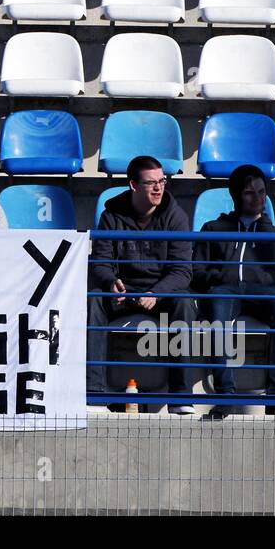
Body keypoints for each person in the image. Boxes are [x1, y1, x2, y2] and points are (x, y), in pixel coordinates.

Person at [88, 155, 196, 415]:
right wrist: (110, 282)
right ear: (133, 185)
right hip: (123, 293)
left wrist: (156, 293)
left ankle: (181, 398)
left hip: (160, 292)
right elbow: (100, 262)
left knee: (184, 305)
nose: (159, 188)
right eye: (151, 183)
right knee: (93, 302)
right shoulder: (111, 216)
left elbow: (182, 271)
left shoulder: (176, 217)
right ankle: (94, 394)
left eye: (162, 181)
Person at [195, 164, 275, 420]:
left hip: (263, 292)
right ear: (236, 196)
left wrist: (268, 285)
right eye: (249, 193)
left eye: (261, 192)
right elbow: (196, 273)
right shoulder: (213, 229)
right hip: (225, 290)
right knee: (217, 307)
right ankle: (225, 396)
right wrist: (220, 278)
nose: (257, 198)